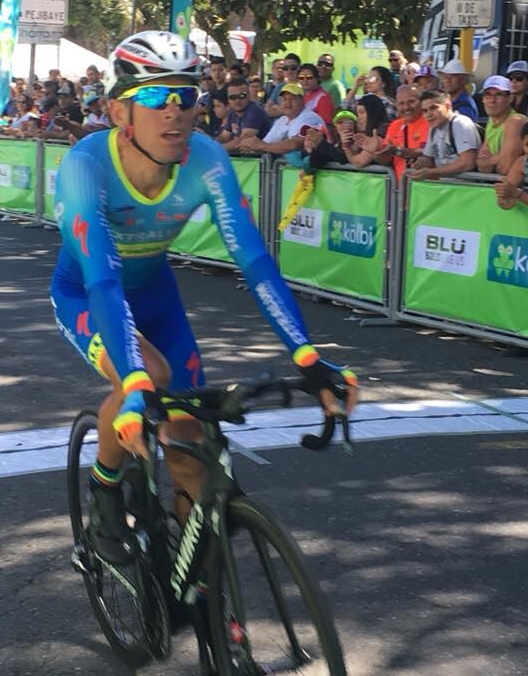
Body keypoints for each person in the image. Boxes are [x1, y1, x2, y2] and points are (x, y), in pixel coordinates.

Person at [50, 31, 357, 564]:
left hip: (156, 295)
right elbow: (102, 279)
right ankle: (104, 490)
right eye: (154, 96)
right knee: (150, 375)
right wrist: (136, 384)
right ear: (119, 111)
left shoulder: (206, 159)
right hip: (88, 293)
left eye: (185, 95)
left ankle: (194, 584)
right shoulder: (86, 166)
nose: (173, 110)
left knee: (189, 441)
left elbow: (254, 261)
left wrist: (307, 356)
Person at [411, 89, 481, 180]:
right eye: (425, 111)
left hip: (467, 187)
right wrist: (421, 163)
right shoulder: (433, 128)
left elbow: (468, 163)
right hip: (446, 186)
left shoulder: (460, 123)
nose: (428, 114)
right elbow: (428, 159)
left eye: (433, 108)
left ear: (448, 106)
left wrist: (432, 172)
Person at [242, 82, 325, 157]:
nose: (288, 103)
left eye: (292, 99)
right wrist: (250, 145)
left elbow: (294, 145)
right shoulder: (282, 120)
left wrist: (261, 146)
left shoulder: (309, 117)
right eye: (285, 99)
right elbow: (266, 143)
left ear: (302, 101)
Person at [476, 75, 527, 175]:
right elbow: (481, 165)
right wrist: (497, 159)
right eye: (488, 95)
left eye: (498, 95)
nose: (492, 101)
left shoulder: (515, 122)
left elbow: (505, 168)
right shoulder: (492, 120)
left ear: (510, 98)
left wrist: (491, 160)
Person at [377, 84, 429, 179]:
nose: (406, 107)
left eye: (411, 101)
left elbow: (429, 153)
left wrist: (398, 151)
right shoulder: (395, 125)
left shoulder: (431, 121)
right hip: (401, 186)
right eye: (401, 103)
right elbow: (385, 160)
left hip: (427, 185)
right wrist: (375, 152)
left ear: (422, 102)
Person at [218, 78, 271, 152]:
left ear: (249, 95)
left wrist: (215, 149)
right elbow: (224, 137)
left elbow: (243, 141)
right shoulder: (232, 112)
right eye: (233, 97)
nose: (237, 100)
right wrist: (209, 142)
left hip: (260, 157)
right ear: (228, 99)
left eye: (242, 96)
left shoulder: (255, 111)